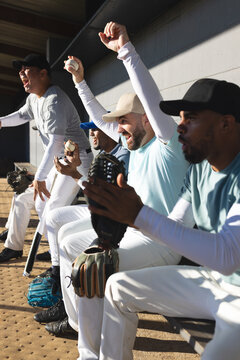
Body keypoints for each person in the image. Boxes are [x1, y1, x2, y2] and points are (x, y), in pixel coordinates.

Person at [35, 21, 189, 352]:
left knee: (93, 266)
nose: (117, 127)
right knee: (79, 254)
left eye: (124, 120)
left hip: (161, 241)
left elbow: (150, 99)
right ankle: (84, 341)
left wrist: (126, 51)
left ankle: (91, 347)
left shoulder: (168, 143)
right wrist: (79, 82)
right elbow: (100, 116)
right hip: (130, 232)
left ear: (147, 118)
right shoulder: (137, 144)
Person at [84, 77, 240, 360]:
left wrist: (138, 214)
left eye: (191, 118)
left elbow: (228, 255)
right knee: (118, 287)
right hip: (214, 282)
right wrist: (127, 219)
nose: (180, 126)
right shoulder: (200, 170)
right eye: (180, 117)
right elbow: (178, 224)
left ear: (226, 124)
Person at [0, 53, 93, 262]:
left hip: (76, 162)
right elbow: (22, 115)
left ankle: (57, 262)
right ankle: (14, 247)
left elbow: (56, 142)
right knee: (24, 197)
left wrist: (39, 177)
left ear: (43, 73)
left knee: (51, 209)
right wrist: (1, 122)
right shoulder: (34, 98)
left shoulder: (54, 99)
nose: (21, 73)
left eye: (26, 69)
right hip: (58, 162)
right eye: (20, 70)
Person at [33, 120, 129, 302]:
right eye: (89, 130)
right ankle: (57, 270)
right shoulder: (103, 153)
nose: (91, 134)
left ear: (110, 131)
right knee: (53, 217)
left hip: (115, 218)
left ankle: (66, 297)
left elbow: (103, 198)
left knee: (67, 238)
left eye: (95, 130)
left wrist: (74, 173)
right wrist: (75, 167)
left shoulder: (122, 156)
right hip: (99, 209)